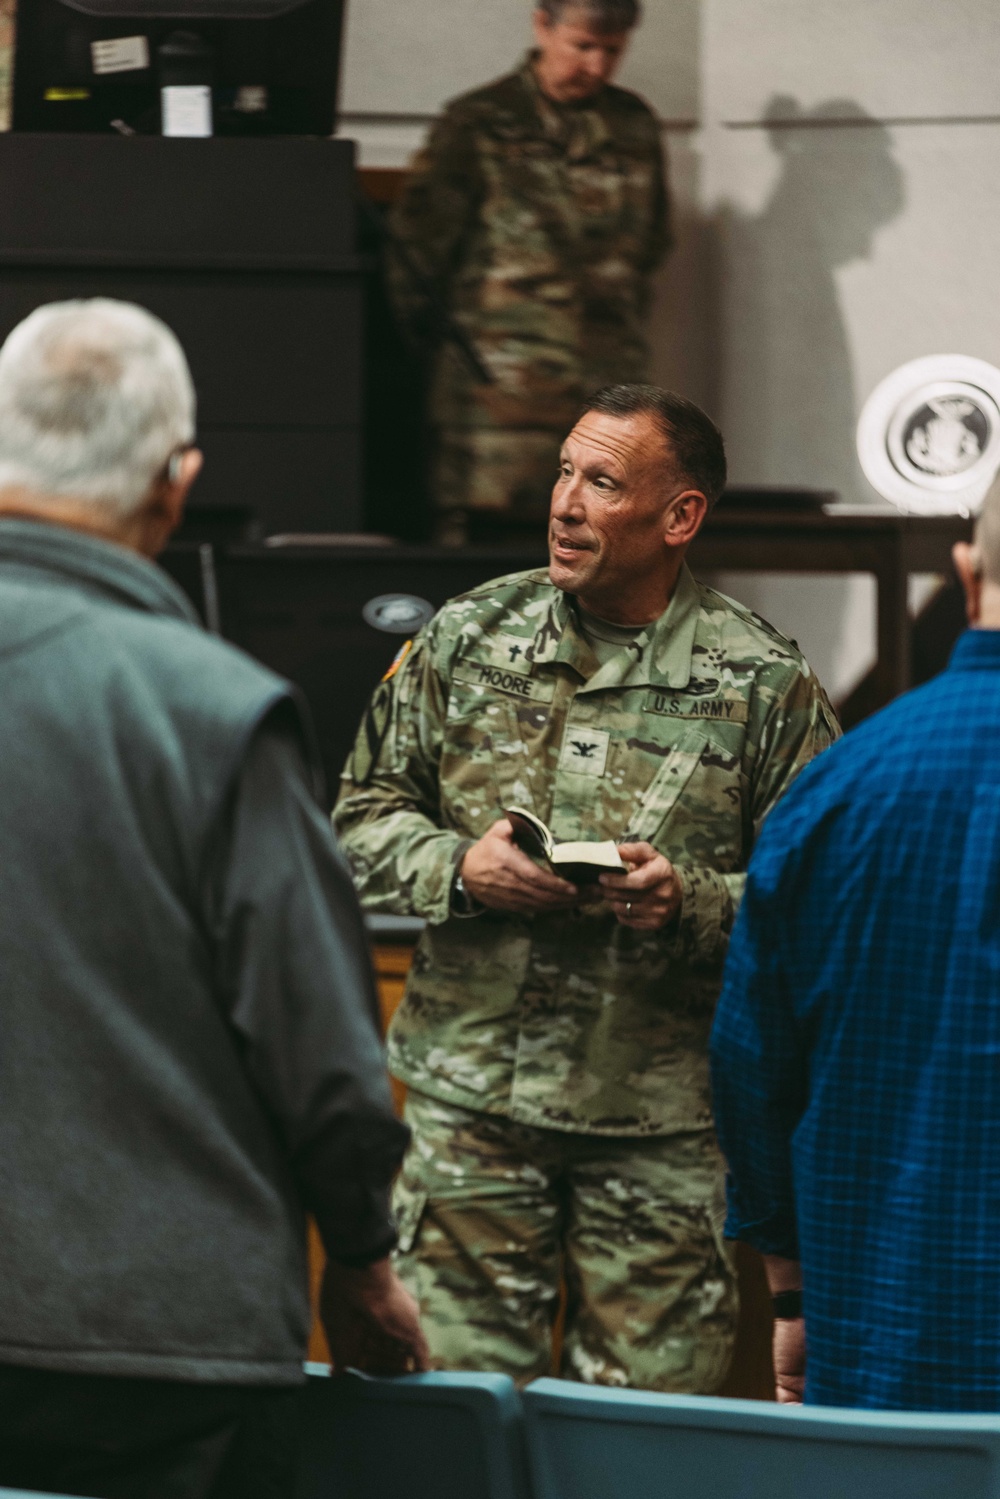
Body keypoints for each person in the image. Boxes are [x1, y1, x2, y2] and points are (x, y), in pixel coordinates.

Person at [0, 299, 427, 1499]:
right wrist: (360, 1255)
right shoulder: (211, 708)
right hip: (162, 1365)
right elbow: (324, 1055)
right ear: (175, 482)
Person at [334, 383, 839, 1391]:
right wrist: (460, 867)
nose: (563, 502)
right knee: (452, 1431)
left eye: (601, 481)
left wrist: (687, 898)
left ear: (678, 515)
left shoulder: (761, 682)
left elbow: (814, 910)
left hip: (655, 1130)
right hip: (472, 1107)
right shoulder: (468, 636)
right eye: (563, 471)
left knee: (644, 1454)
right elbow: (359, 816)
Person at [709, 470, 1000, 1412]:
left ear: (965, 567)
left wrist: (790, 1290)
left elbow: (752, 1067)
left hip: (883, 1338)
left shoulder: (835, 791)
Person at [387, 0, 672, 543]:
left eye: (612, 51)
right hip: (496, 403)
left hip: (607, 394)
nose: (596, 65)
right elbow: (415, 258)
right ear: (543, 25)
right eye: (582, 46)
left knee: (604, 555)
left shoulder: (633, 126)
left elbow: (651, 245)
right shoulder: (478, 122)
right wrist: (456, 356)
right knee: (484, 563)